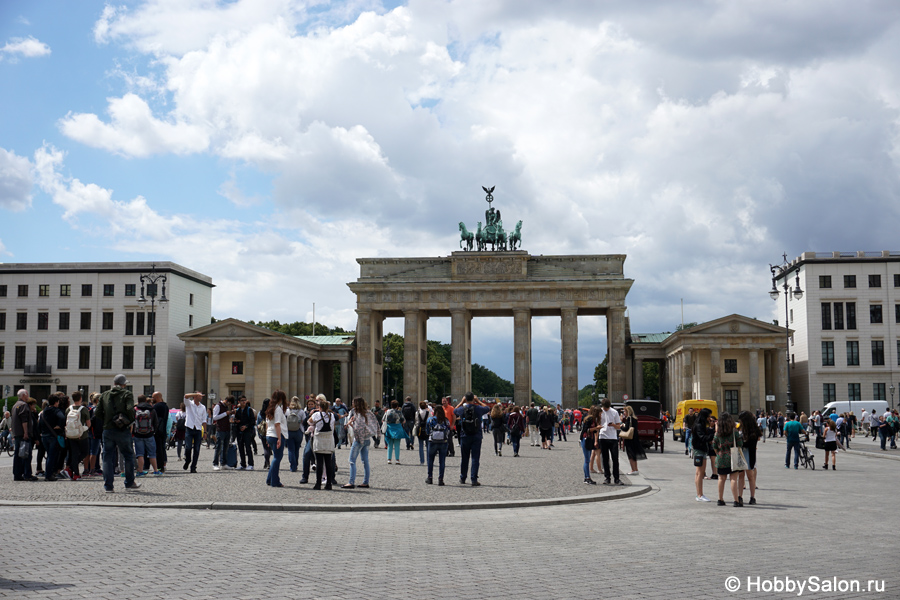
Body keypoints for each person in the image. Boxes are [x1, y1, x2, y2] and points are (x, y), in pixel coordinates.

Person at [95, 374, 140, 492]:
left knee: (107, 457)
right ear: (123, 384)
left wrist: (107, 420)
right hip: (122, 430)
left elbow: (97, 412)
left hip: (108, 429)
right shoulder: (127, 394)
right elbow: (131, 409)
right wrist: (128, 421)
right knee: (128, 455)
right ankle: (129, 482)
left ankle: (108, 486)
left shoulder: (104, 395)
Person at [454, 392, 491, 485]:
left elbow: (454, 411)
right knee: (475, 458)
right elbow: (487, 408)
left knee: (464, 458)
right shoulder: (478, 408)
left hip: (464, 435)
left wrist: (462, 402)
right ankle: (473, 479)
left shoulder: (462, 409)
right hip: (476, 435)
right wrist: (478, 401)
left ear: (465, 399)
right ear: (473, 399)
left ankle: (463, 478)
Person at [343, 396, 378, 489]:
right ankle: (365, 482)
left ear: (356, 404)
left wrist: (351, 425)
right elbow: (375, 424)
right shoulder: (369, 413)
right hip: (367, 439)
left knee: (352, 461)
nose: (352, 404)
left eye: (353, 403)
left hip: (359, 440)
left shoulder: (358, 414)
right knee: (365, 461)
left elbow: (358, 428)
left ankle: (351, 482)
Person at [712, 412, 743, 507]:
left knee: (721, 478)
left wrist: (718, 452)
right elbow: (740, 444)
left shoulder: (718, 433)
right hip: (732, 457)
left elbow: (714, 445)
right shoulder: (734, 431)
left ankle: (720, 499)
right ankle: (736, 500)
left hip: (721, 457)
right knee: (733, 479)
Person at [308, 396, 336, 490]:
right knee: (328, 463)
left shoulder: (316, 415)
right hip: (329, 441)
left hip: (319, 440)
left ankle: (318, 483)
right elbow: (333, 427)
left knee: (319, 463)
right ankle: (329, 483)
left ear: (319, 407)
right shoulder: (331, 416)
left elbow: (309, 421)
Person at [11, 390, 38, 482]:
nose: (28, 396)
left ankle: (17, 474)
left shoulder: (15, 405)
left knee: (18, 455)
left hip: (17, 433)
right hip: (23, 434)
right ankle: (27, 474)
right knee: (26, 454)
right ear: (23, 395)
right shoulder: (23, 405)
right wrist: (26, 432)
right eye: (27, 394)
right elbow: (24, 420)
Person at [64, 391, 91, 480]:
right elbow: (88, 423)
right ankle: (71, 467)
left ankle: (75, 473)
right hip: (82, 434)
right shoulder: (84, 409)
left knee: (74, 453)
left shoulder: (68, 409)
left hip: (71, 434)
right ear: (80, 398)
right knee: (84, 452)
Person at [263, 390, 288, 487]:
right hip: (276, 434)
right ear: (281, 399)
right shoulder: (278, 409)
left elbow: (267, 424)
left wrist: (266, 437)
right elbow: (277, 424)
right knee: (277, 458)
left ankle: (270, 479)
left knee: (275, 458)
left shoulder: (270, 408)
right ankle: (275, 481)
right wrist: (279, 438)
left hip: (269, 434)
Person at [38, 394, 65, 481]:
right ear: (56, 402)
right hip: (53, 436)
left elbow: (39, 422)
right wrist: (59, 425)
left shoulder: (44, 411)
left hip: (44, 436)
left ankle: (48, 473)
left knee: (49, 455)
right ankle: (49, 475)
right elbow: (62, 417)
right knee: (51, 456)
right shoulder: (56, 410)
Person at [133, 395, 161, 476]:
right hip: (149, 434)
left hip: (138, 434)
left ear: (138, 401)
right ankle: (155, 470)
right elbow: (156, 422)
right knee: (152, 453)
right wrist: (153, 431)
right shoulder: (151, 409)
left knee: (140, 454)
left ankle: (140, 471)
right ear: (146, 400)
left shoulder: (135, 409)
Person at [692, 407, 715, 502]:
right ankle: (699, 495)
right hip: (699, 450)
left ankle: (700, 494)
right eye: (709, 417)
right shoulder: (699, 425)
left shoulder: (699, 424)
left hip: (701, 449)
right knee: (700, 473)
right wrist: (713, 433)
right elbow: (702, 437)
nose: (710, 419)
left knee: (699, 473)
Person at [737, 411, 760, 505]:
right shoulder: (739, 427)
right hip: (740, 453)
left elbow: (751, 443)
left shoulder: (753, 430)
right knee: (741, 475)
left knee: (750, 475)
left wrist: (741, 442)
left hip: (748, 454)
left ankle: (752, 497)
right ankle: (740, 496)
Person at [425, 406, 452, 485]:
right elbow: (448, 430)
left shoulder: (430, 420)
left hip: (432, 441)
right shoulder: (446, 420)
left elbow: (427, 431)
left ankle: (430, 477)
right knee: (442, 461)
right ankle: (441, 479)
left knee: (430, 460)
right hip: (443, 442)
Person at [182, 391, 207, 473]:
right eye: (199, 396)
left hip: (198, 429)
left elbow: (204, 420)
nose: (201, 397)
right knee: (188, 447)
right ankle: (188, 460)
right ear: (195, 397)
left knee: (197, 449)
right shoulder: (189, 404)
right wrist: (195, 394)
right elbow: (185, 396)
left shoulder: (203, 407)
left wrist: (205, 432)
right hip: (189, 427)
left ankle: (193, 467)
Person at [620, 406, 646, 475]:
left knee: (630, 454)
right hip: (635, 438)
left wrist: (621, 426)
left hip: (629, 439)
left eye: (624, 411)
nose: (624, 413)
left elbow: (626, 429)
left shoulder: (629, 418)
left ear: (628, 411)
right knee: (633, 454)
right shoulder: (635, 419)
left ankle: (633, 469)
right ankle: (636, 469)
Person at [211, 395, 234, 470]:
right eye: (229, 404)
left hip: (227, 429)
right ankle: (215, 464)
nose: (229, 405)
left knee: (226, 447)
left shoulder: (226, 407)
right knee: (218, 447)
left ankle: (224, 463)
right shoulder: (218, 406)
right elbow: (215, 417)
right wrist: (225, 414)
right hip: (220, 429)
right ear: (227, 401)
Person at [285, 397, 306, 472]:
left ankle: (292, 466)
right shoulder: (301, 412)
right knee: (296, 449)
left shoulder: (287, 411)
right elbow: (304, 421)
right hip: (299, 431)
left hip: (289, 431)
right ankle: (296, 464)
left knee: (291, 449)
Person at [382, 400, 407, 464]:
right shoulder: (399, 412)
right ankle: (397, 460)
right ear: (397, 406)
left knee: (390, 445)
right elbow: (403, 421)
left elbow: (383, 420)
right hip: (397, 429)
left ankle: (389, 459)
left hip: (390, 429)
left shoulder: (387, 412)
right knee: (397, 445)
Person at [580, 405, 600, 484]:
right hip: (586, 439)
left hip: (588, 439)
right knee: (587, 460)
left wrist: (597, 429)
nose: (601, 415)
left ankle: (587, 477)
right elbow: (586, 430)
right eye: (600, 413)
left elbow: (593, 431)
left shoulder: (593, 420)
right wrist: (596, 428)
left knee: (587, 460)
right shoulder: (589, 419)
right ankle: (587, 478)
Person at [235, 396, 256, 470]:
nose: (243, 402)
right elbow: (237, 420)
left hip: (247, 431)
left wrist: (246, 426)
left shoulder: (249, 410)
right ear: (239, 402)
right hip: (239, 431)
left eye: (245, 400)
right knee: (240, 448)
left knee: (248, 447)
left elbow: (253, 421)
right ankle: (243, 464)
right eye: (242, 400)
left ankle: (250, 464)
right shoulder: (238, 410)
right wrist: (236, 421)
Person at [151, 392, 169, 472]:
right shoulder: (166, 406)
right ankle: (162, 466)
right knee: (162, 448)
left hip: (157, 430)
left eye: (153, 397)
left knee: (158, 449)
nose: (152, 399)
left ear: (157, 397)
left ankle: (159, 467)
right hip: (163, 429)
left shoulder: (157, 406)